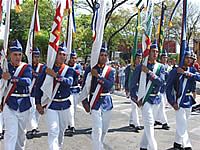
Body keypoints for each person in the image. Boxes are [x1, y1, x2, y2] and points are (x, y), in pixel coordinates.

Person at [35, 43, 74, 150]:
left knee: (61, 132)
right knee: (53, 130)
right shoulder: (46, 69)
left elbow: (69, 82)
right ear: (55, 55)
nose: (62, 56)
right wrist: (38, 103)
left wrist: (56, 75)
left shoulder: (68, 70)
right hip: (51, 104)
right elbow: (38, 87)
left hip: (65, 105)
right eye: (60, 54)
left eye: (64, 54)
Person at [130, 40, 165, 150]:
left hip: (156, 100)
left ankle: (143, 146)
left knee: (149, 126)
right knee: (150, 126)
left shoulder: (160, 67)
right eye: (153, 51)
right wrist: (136, 99)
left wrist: (149, 73)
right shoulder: (140, 67)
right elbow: (132, 85)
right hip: (145, 100)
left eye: (157, 52)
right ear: (148, 53)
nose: (155, 54)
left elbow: (161, 82)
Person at [82, 42, 115, 150]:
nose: (104, 57)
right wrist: (85, 102)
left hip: (107, 102)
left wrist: (98, 76)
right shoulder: (90, 69)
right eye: (101, 55)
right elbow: (84, 88)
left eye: (105, 55)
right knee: (97, 129)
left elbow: (109, 85)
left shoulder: (110, 71)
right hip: (95, 102)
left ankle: (98, 145)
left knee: (104, 130)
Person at [0, 39, 32, 150]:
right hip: (9, 103)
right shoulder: (4, 67)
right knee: (10, 133)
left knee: (21, 134)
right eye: (15, 54)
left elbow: (27, 81)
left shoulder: (26, 67)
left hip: (24, 104)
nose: (18, 57)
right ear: (9, 55)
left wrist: (12, 79)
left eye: (19, 54)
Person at [166, 47, 200, 150]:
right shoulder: (175, 71)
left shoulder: (192, 70)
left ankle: (177, 143)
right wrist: (172, 102)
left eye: (190, 58)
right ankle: (187, 145)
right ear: (183, 58)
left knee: (183, 123)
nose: (189, 60)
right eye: (187, 58)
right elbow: (168, 88)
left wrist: (186, 74)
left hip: (188, 101)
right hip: (179, 101)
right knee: (182, 123)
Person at [26, 47, 44, 138]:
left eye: (38, 56)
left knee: (38, 112)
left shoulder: (42, 67)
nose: (36, 58)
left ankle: (35, 126)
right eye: (35, 56)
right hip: (31, 92)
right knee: (32, 110)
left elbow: (43, 77)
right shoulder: (27, 67)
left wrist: (35, 74)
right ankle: (33, 127)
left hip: (39, 93)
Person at [66, 50, 82, 136]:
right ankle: (72, 126)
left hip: (76, 90)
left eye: (75, 58)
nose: (74, 60)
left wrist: (70, 69)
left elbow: (79, 73)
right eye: (72, 58)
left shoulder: (78, 66)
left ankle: (69, 124)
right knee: (70, 108)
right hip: (68, 90)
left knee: (74, 109)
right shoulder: (65, 66)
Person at [126, 49, 143, 132]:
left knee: (134, 107)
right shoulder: (130, 67)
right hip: (132, 89)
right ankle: (137, 124)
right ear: (135, 58)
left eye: (140, 58)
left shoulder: (142, 68)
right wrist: (126, 88)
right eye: (138, 58)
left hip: (140, 89)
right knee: (134, 106)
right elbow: (127, 78)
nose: (139, 59)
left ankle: (131, 121)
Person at [154, 50, 170, 130]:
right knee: (161, 106)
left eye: (166, 57)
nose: (165, 59)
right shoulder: (158, 66)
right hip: (158, 89)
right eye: (163, 57)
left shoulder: (168, 67)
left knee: (160, 107)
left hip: (164, 90)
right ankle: (164, 123)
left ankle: (156, 120)